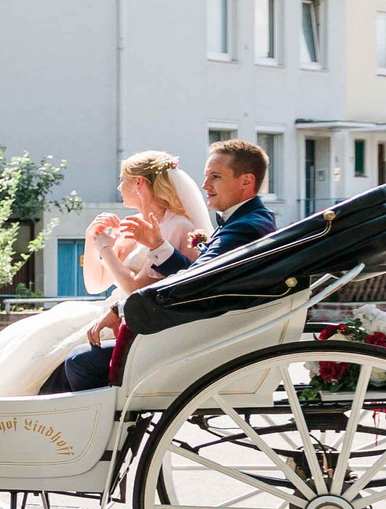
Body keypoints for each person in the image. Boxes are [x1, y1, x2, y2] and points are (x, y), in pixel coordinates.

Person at [0, 150, 211, 398]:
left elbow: (134, 290)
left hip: (129, 317)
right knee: (30, 336)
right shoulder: (139, 226)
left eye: (122, 180)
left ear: (139, 183)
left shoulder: (176, 227)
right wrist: (92, 240)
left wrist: (106, 249)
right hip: (110, 307)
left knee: (40, 351)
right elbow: (96, 284)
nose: (118, 187)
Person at [34, 139, 275, 394]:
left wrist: (122, 307)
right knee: (55, 357)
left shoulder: (244, 227)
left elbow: (195, 282)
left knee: (76, 361)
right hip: (195, 325)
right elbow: (197, 276)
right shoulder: (245, 221)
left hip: (197, 335)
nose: (204, 185)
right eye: (206, 177)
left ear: (246, 181)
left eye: (215, 177)